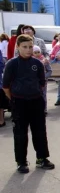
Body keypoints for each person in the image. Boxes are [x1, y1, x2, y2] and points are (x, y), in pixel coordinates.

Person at [2, 35, 55, 173]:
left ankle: (42, 158)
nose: (28, 50)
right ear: (18, 47)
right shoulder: (12, 64)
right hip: (19, 102)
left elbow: (42, 83)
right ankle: (21, 162)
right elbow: (6, 86)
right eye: (25, 47)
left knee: (40, 131)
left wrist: (34, 93)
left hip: (36, 101)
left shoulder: (37, 63)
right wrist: (14, 98)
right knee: (20, 133)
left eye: (30, 47)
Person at [33, 45, 52, 114]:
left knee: (43, 95)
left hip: (43, 81)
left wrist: (44, 77)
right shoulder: (30, 61)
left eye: (38, 52)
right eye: (35, 52)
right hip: (33, 82)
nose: (37, 54)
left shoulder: (44, 60)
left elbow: (49, 71)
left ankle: (44, 109)